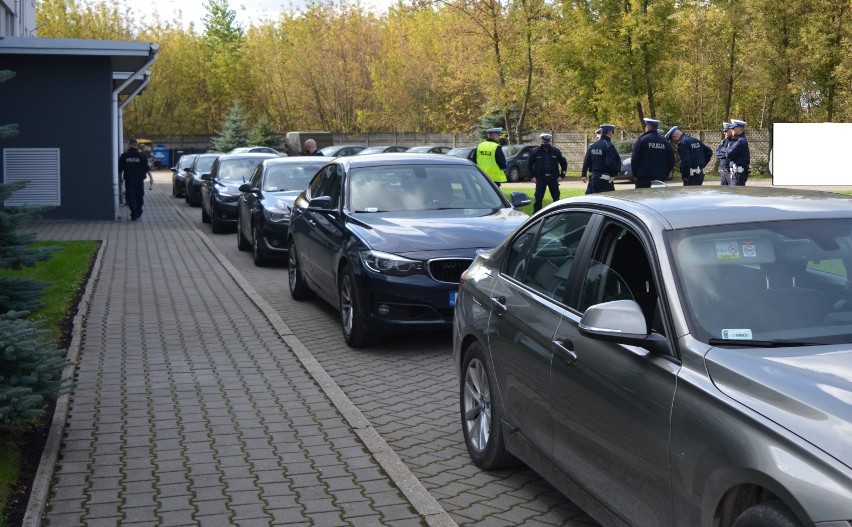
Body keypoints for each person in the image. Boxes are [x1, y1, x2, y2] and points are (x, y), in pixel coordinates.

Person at [528, 133, 568, 212]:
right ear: (541, 141)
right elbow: (529, 165)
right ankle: (536, 216)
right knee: (538, 199)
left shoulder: (555, 151)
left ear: (550, 142)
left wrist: (562, 175)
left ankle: (557, 214)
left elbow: (564, 163)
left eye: (547, 142)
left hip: (553, 179)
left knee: (556, 199)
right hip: (540, 179)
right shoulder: (535, 152)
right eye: (544, 142)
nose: (546, 144)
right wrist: (532, 176)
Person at [630, 118, 674, 188]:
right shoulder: (665, 142)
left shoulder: (642, 140)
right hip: (660, 178)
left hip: (643, 178)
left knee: (644, 198)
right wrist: (664, 174)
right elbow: (671, 160)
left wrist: (636, 174)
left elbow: (635, 159)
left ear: (648, 127)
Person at [118, 138, 153, 221]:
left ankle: (134, 213)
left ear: (129, 145)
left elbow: (120, 170)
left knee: (131, 196)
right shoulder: (142, 156)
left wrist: (120, 179)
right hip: (139, 180)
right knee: (139, 196)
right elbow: (146, 168)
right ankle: (138, 211)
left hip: (129, 180)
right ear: (136, 145)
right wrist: (151, 178)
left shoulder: (124, 156)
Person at [583, 124, 621, 194]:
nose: (612, 134)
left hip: (593, 179)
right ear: (609, 132)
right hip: (605, 180)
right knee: (607, 200)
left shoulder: (593, 146)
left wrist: (584, 174)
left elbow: (586, 161)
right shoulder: (608, 146)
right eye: (612, 132)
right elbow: (610, 162)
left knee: (592, 200)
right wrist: (616, 172)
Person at [725, 119, 750, 186]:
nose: (731, 130)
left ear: (739, 129)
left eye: (733, 128)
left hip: (738, 174)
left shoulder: (740, 141)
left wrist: (726, 149)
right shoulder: (737, 140)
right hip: (735, 173)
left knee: (737, 194)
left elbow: (728, 154)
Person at [581, 127, 602, 192]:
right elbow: (586, 161)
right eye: (597, 137)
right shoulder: (592, 147)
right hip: (594, 175)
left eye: (598, 136)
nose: (597, 138)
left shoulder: (608, 146)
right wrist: (584, 174)